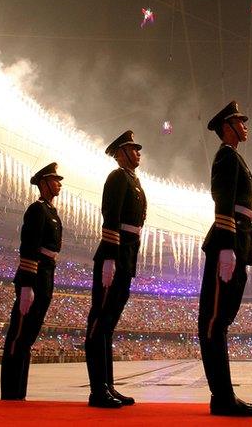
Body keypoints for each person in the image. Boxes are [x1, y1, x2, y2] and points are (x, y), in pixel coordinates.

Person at [197, 101, 252, 417]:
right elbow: (223, 201)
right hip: (229, 239)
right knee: (214, 319)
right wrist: (226, 247)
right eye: (239, 121)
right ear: (227, 127)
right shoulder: (226, 155)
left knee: (221, 318)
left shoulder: (235, 157)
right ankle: (221, 396)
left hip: (237, 238)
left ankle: (223, 394)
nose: (245, 125)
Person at [85, 131, 147, 408]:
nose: (138, 152)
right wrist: (110, 256)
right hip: (115, 252)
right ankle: (98, 390)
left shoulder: (133, 179)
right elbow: (110, 216)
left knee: (108, 325)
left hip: (127, 253)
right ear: (121, 153)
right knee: (100, 322)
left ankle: (107, 385)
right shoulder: (117, 176)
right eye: (133, 149)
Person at [1, 162, 64, 400]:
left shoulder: (52, 211)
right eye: (55, 180)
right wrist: (27, 284)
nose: (59, 184)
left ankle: (19, 392)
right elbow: (28, 246)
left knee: (28, 336)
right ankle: (10, 392)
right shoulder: (37, 209)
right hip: (34, 274)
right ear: (44, 183)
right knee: (19, 334)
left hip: (47, 273)